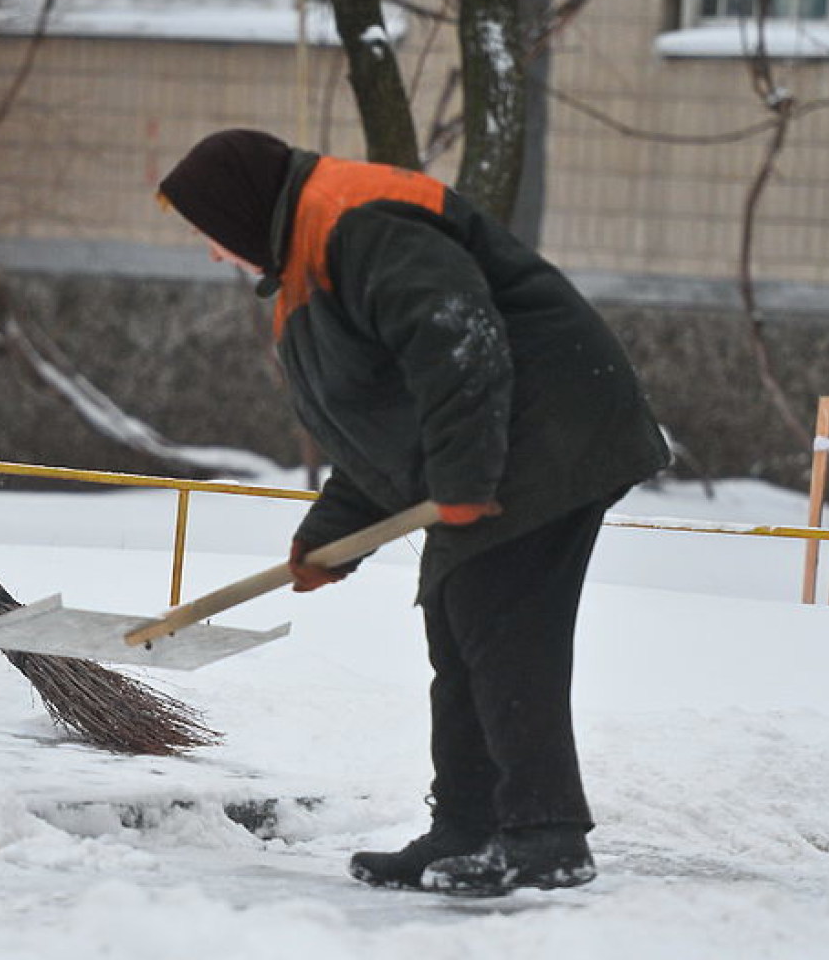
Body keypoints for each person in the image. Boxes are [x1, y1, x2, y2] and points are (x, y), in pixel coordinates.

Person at [158, 130, 670, 897]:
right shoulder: (310, 249)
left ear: (239, 211)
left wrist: (464, 473)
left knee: (500, 624)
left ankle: (544, 836)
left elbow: (455, 337)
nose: (210, 253)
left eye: (208, 232)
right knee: (460, 624)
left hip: (549, 431)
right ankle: (467, 827)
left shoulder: (355, 222)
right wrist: (329, 537)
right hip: (507, 438)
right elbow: (385, 419)